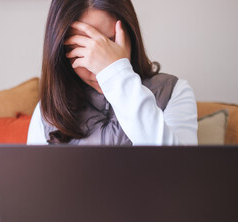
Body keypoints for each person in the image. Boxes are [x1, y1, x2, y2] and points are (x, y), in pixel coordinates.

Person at [27, 0, 198, 145]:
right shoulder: (47, 111)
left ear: (131, 34)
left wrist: (116, 73)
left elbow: (180, 170)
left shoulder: (174, 91)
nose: (96, 69)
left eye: (107, 46)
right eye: (80, 51)